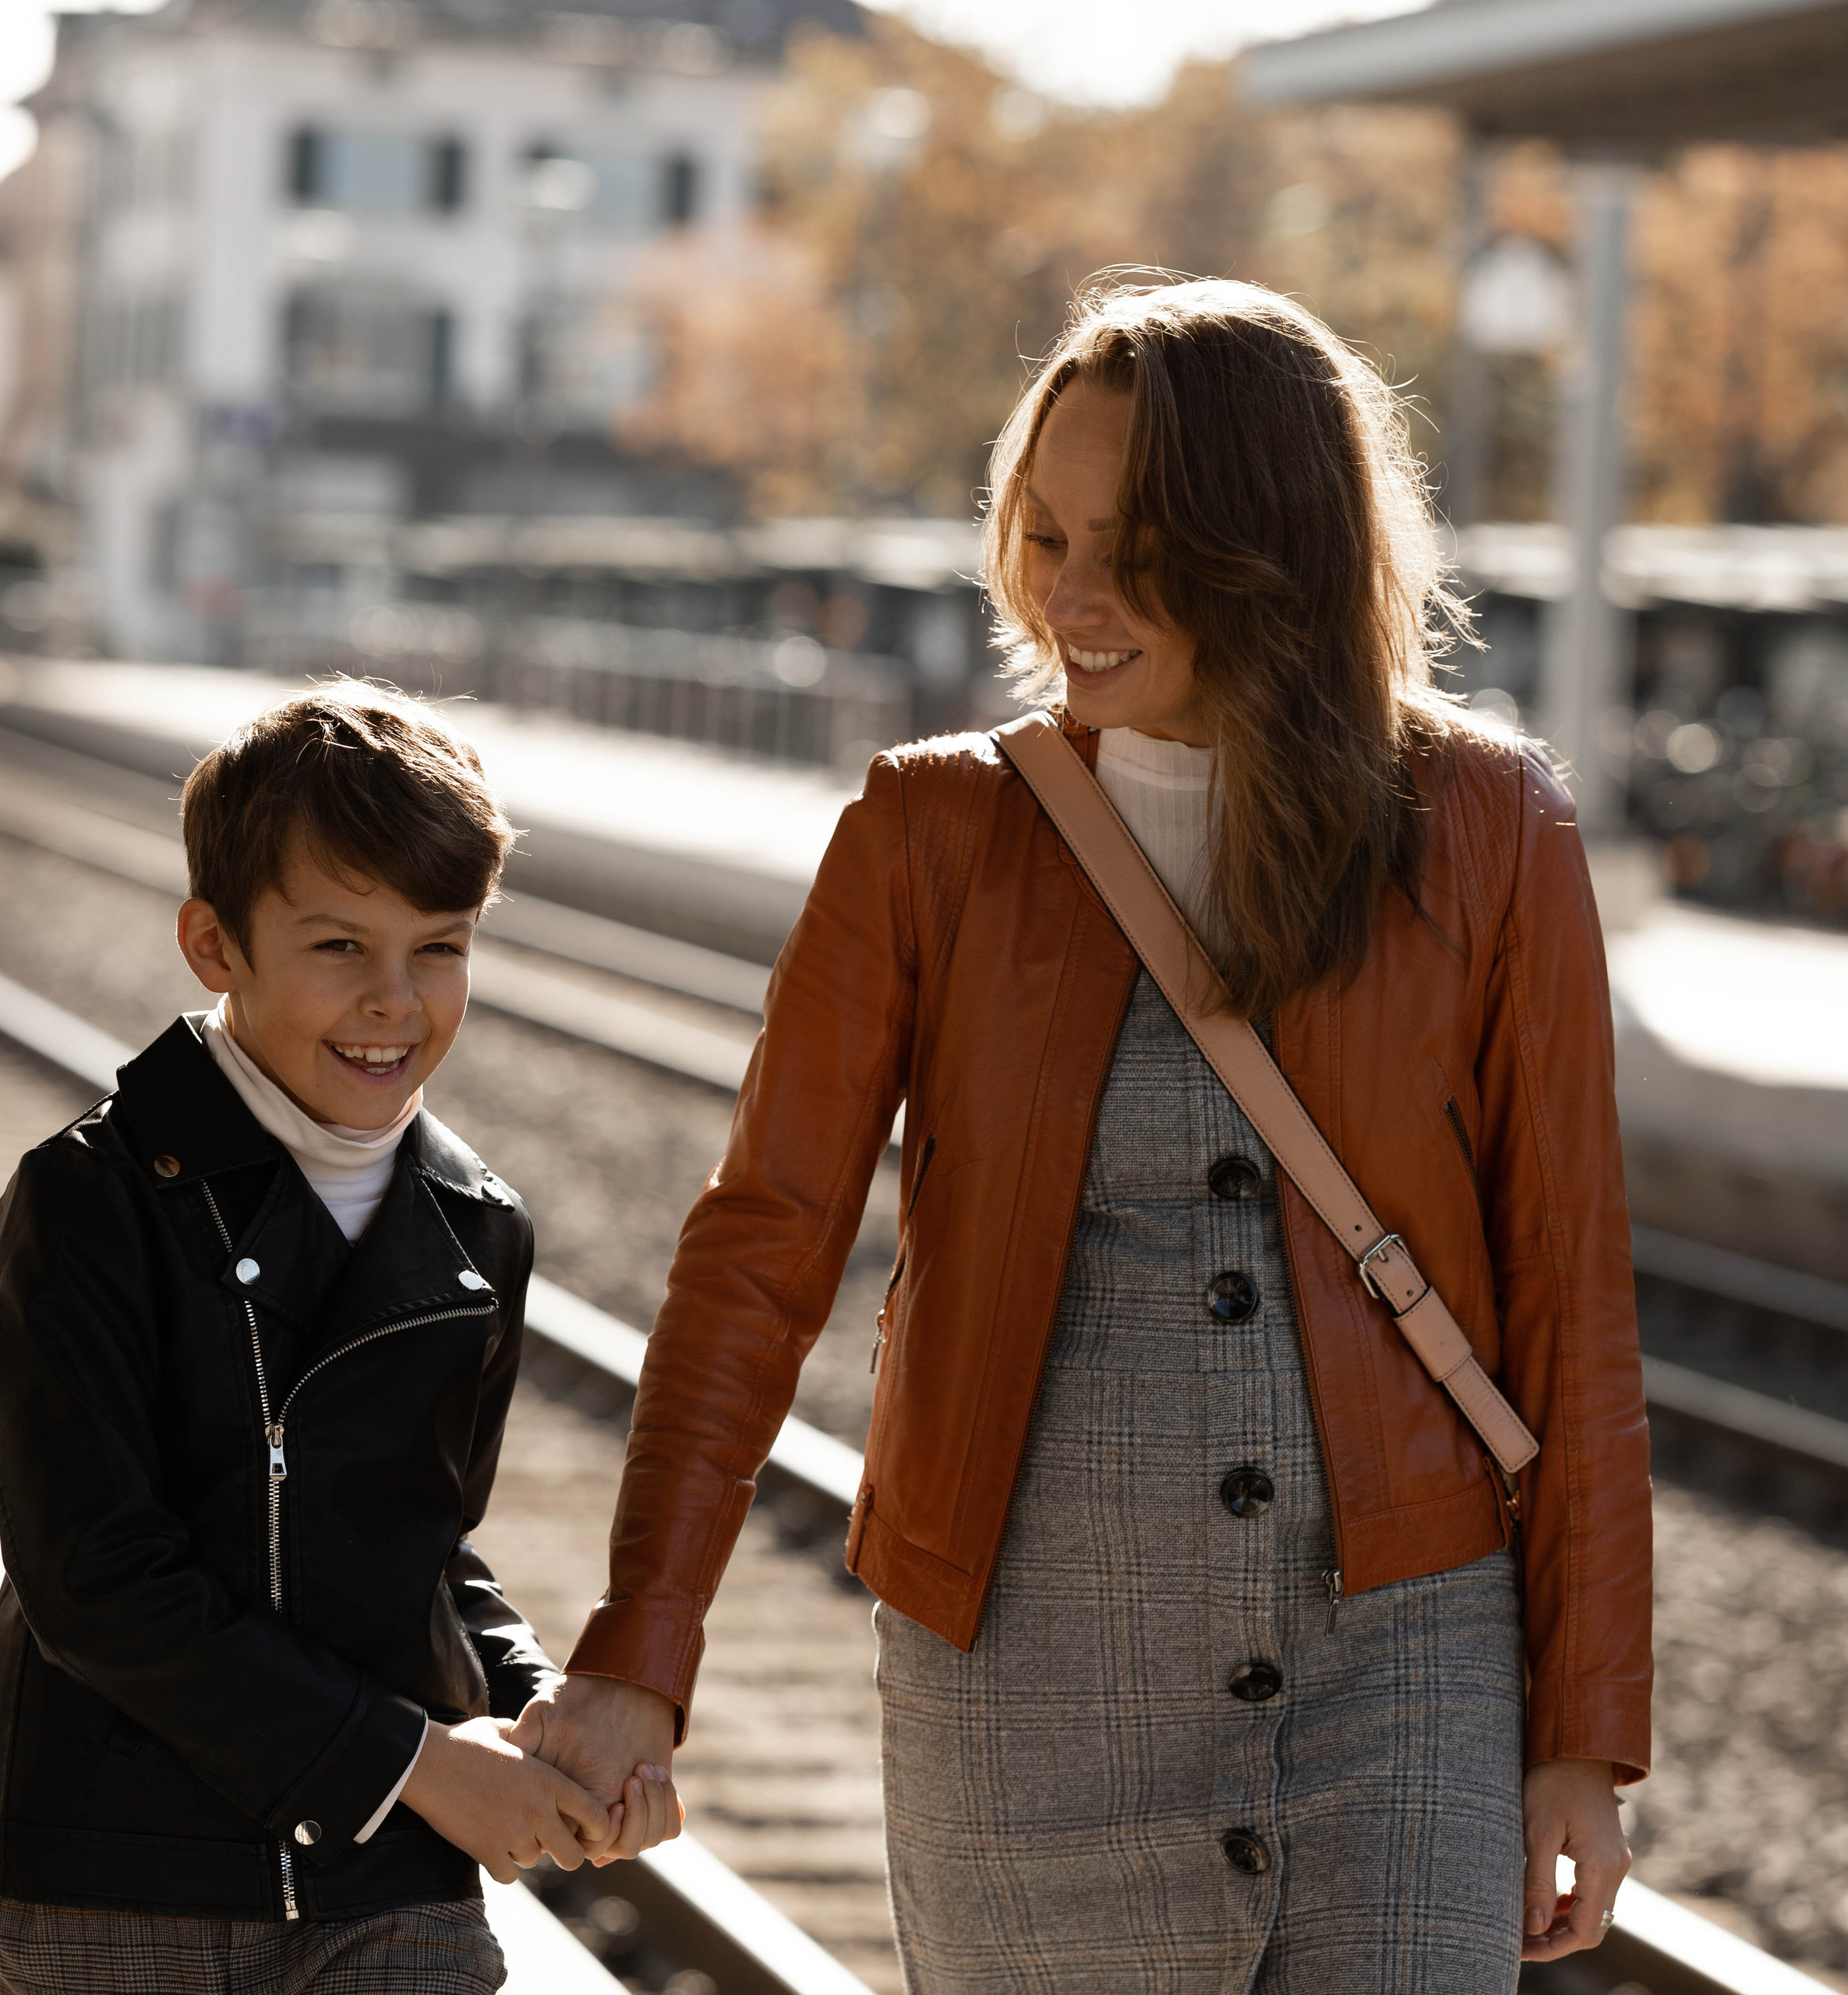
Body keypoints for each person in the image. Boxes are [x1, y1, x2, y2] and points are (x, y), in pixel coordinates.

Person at [525, 278, 1653, 1991]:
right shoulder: (928, 832)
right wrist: (638, 1646)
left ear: (1264, 543)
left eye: (1126, 545)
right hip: (1024, 1690)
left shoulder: (1488, 828)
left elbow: (1568, 1296)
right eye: (1040, 534)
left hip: (1407, 1663)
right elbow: (760, 1247)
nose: (1066, 594)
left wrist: (1579, 1727)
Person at [0, 683, 679, 1994]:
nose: (395, 1005)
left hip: (384, 1890)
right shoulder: (91, 1201)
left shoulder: (479, 1229)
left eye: (441, 948)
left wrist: (537, 1720)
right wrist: (416, 1763)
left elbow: (426, 1548)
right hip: (116, 1891)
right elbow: (97, 1580)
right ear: (213, 944)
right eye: (339, 947)